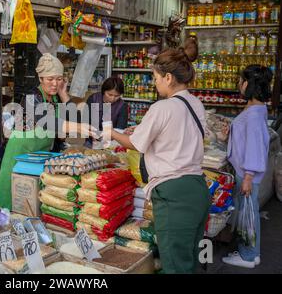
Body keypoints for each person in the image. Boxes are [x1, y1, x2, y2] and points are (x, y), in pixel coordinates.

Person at [103, 36, 211, 274]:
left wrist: (111, 133)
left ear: (168, 78)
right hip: (197, 189)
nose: (154, 83)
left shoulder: (162, 107)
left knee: (174, 265)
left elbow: (135, 144)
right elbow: (173, 136)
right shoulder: (196, 104)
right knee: (190, 260)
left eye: (155, 78)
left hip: (174, 195)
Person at [0, 53, 95, 209]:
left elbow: (73, 116)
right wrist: (79, 128)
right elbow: (49, 122)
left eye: (58, 79)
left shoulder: (54, 97)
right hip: (20, 155)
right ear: (40, 79)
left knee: (35, 199)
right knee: (12, 196)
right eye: (50, 79)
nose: (54, 83)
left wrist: (63, 93)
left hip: (39, 156)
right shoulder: (32, 97)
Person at [222, 65, 271, 269]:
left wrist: (249, 176)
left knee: (247, 215)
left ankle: (248, 256)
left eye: (241, 80)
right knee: (248, 213)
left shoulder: (253, 113)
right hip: (246, 172)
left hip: (247, 173)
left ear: (248, 84)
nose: (238, 84)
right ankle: (252, 253)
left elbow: (255, 146)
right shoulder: (256, 108)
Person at [84, 77, 128, 148]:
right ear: (103, 91)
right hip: (91, 140)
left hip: (112, 143)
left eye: (117, 96)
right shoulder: (93, 99)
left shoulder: (122, 106)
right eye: (110, 94)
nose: (112, 98)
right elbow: (86, 122)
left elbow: (120, 129)